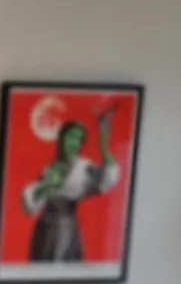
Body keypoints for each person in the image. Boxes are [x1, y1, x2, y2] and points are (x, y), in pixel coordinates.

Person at [22, 111, 120, 262]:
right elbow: (30, 205)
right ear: (61, 138)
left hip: (65, 232)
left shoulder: (83, 168)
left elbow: (109, 177)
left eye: (80, 140)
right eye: (71, 136)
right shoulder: (48, 169)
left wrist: (103, 143)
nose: (75, 143)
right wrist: (47, 185)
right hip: (43, 231)